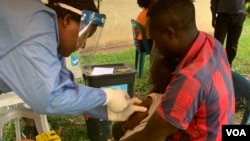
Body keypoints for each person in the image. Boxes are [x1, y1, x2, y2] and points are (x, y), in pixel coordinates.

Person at [0, 0, 146, 139]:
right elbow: (50, 98)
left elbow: (67, 89)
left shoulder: (48, 31)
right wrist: (105, 96)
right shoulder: (35, 30)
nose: (82, 45)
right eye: (85, 36)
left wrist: (107, 111)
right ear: (67, 20)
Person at [121, 0, 235, 140]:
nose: (155, 46)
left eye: (155, 39)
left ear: (170, 33)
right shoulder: (212, 44)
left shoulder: (190, 80)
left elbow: (149, 137)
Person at [210, 0, 249, 67]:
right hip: (223, 18)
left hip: (238, 17)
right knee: (218, 44)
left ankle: (228, 65)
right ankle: (215, 66)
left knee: (233, 45)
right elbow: (214, 1)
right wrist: (213, 16)